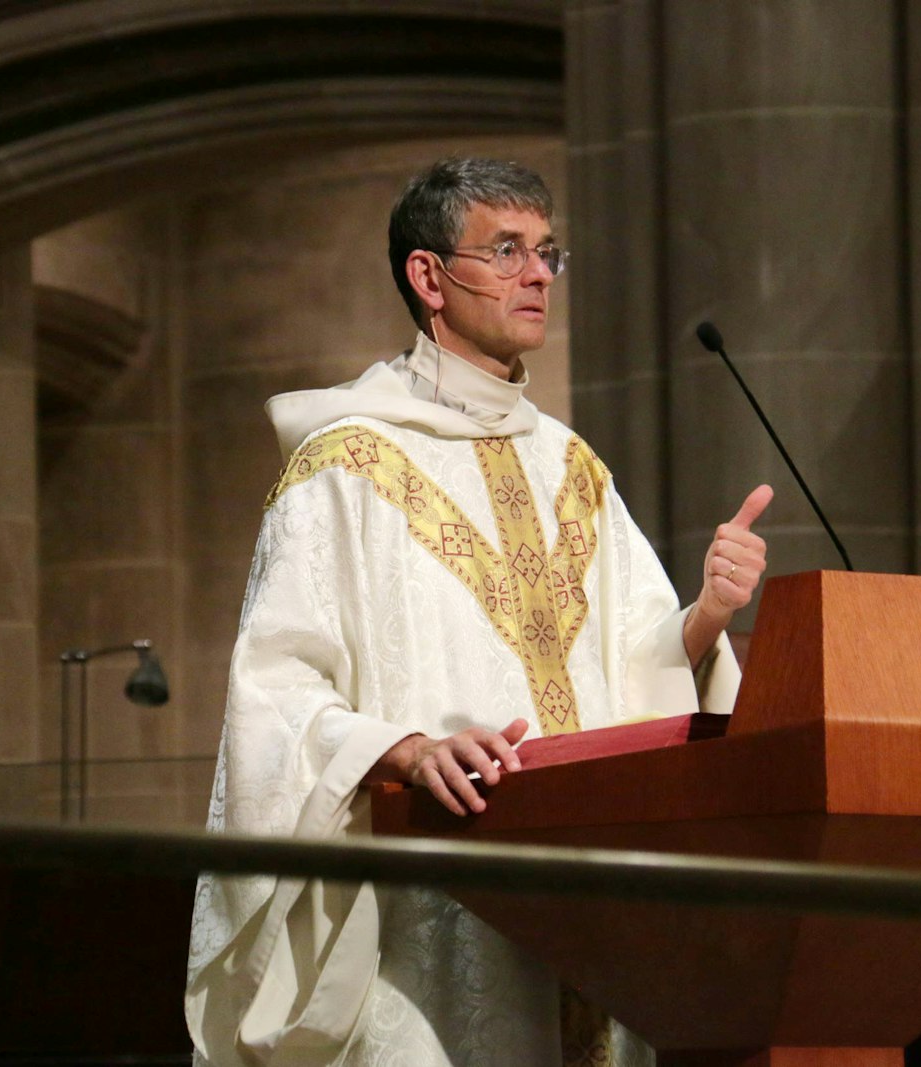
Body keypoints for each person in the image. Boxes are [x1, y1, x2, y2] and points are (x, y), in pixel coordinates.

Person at [185, 157, 772, 1067]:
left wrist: (704, 618)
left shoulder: (571, 468)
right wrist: (410, 750)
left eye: (547, 252)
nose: (538, 274)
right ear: (429, 277)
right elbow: (276, 696)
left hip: (591, 920)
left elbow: (628, 671)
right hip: (436, 920)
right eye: (506, 251)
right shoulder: (345, 467)